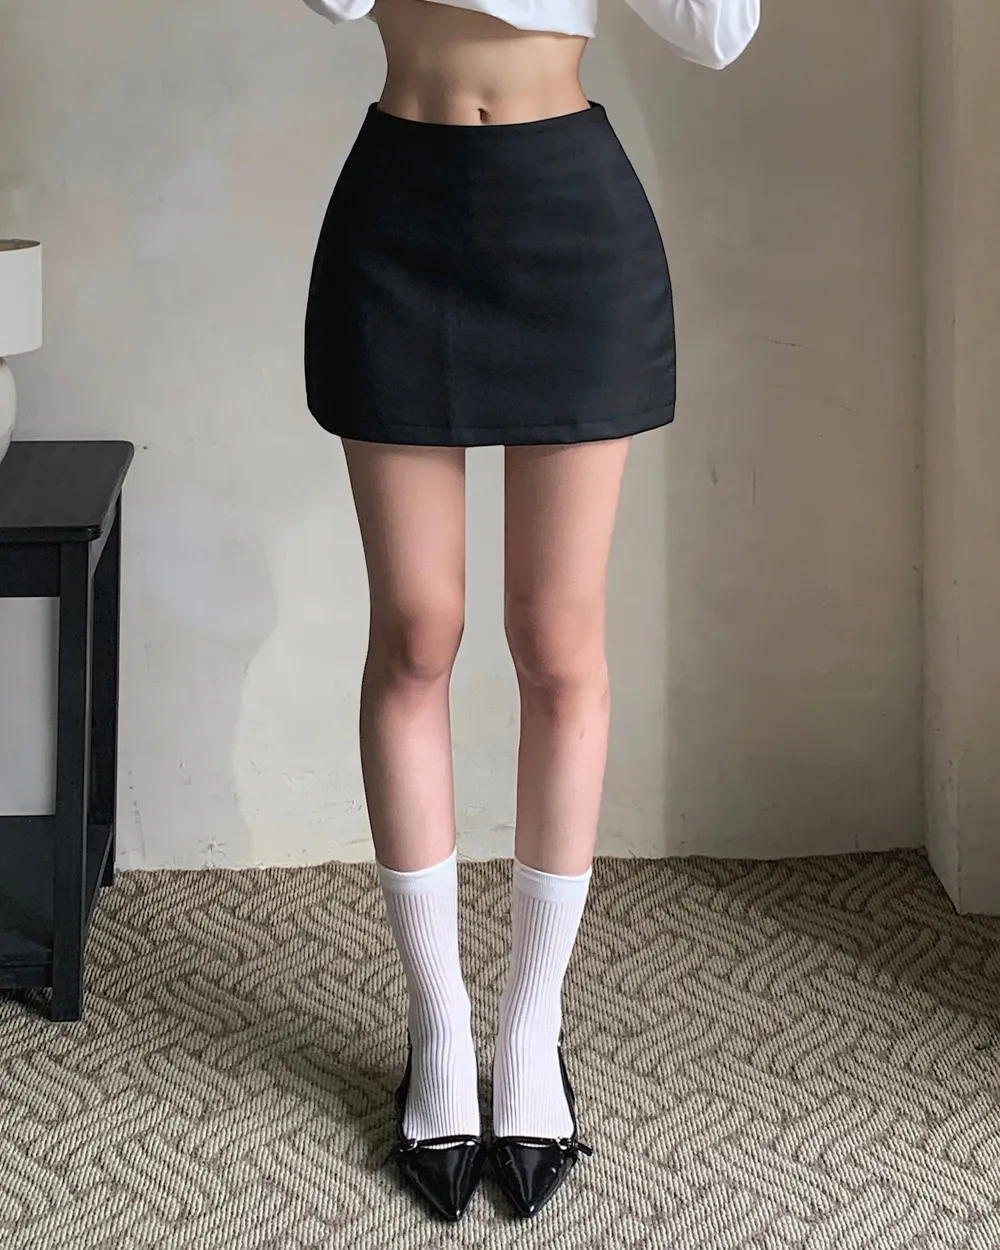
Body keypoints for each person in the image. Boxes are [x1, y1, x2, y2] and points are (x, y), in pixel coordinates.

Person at [300, 0, 759, 1222]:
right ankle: (437, 1019)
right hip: (400, 209)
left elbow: (721, 29)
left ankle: (530, 1021)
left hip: (570, 213)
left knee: (556, 642)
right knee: (416, 631)